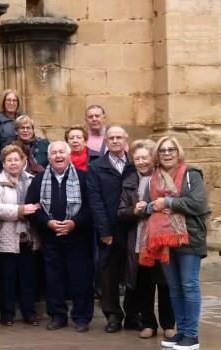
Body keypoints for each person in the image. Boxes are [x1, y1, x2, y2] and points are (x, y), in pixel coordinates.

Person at [25, 141, 94, 332]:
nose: (58, 156)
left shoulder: (83, 178)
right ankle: (57, 316)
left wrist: (74, 223)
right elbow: (31, 208)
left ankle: (81, 317)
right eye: (54, 153)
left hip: (78, 238)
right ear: (48, 158)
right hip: (51, 238)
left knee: (80, 279)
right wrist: (47, 222)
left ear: (69, 155)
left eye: (61, 152)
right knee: (54, 280)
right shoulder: (39, 180)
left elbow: (91, 207)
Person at [149, 137, 210, 350]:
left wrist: (168, 202)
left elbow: (198, 203)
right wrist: (147, 207)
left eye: (171, 150)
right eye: (162, 150)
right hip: (165, 239)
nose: (167, 153)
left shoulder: (191, 175)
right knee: (174, 287)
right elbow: (152, 205)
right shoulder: (154, 177)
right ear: (157, 154)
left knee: (189, 285)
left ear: (178, 152)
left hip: (189, 236)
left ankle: (192, 336)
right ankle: (182, 332)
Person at [116, 139, 176, 340]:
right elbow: (121, 212)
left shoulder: (164, 178)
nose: (141, 161)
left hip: (161, 240)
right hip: (139, 240)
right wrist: (135, 210)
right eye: (137, 158)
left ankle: (169, 324)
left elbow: (173, 205)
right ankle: (149, 323)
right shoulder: (130, 182)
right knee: (144, 285)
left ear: (153, 158)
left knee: (165, 284)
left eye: (145, 157)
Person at [86, 126, 139, 333]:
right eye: (111, 138)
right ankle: (113, 316)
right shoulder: (97, 167)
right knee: (109, 275)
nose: (115, 141)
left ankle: (133, 314)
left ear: (126, 140)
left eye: (119, 137)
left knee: (135, 272)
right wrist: (104, 231)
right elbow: (95, 201)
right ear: (106, 141)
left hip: (133, 227)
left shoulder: (135, 165)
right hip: (109, 229)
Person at [0, 145, 40, 326]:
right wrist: (21, 210)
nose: (13, 163)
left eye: (16, 159)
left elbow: (40, 203)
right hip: (6, 237)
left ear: (23, 160)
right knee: (6, 279)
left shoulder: (33, 180)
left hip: (29, 237)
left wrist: (35, 209)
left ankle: (29, 313)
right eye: (9, 160)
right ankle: (7, 314)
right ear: (3, 163)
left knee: (28, 278)